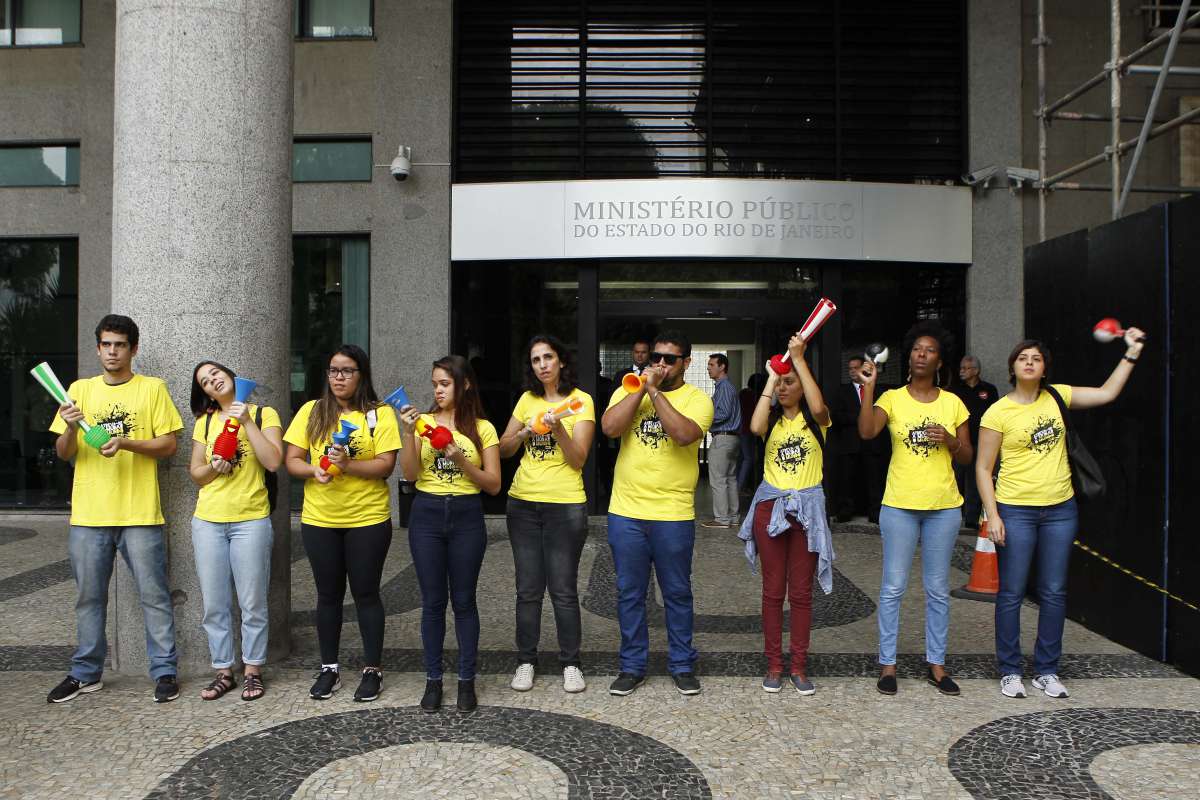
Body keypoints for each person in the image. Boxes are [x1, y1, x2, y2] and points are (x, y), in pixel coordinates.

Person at [977, 331, 1144, 700]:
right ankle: (1009, 670)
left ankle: (1046, 670)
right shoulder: (998, 411)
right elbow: (983, 468)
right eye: (1023, 358)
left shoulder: (1058, 396)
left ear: (1044, 368)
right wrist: (994, 516)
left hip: (1060, 510)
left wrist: (1131, 353)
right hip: (1015, 510)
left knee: (1054, 592)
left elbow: (1107, 393)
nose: (1030, 363)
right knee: (1011, 592)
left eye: (1036, 358)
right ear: (1012, 367)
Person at [47, 314, 184, 704]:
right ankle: (85, 673)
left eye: (120, 345)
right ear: (97, 349)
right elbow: (64, 453)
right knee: (89, 599)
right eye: (106, 344)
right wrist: (70, 427)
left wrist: (125, 442)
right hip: (89, 515)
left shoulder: (152, 389)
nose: (112, 352)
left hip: (140, 513)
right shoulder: (80, 390)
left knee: (154, 596)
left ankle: (165, 672)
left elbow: (169, 445)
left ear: (133, 349)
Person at [857, 321, 972, 697]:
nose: (922, 354)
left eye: (930, 350)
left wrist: (951, 440)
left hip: (944, 507)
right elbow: (867, 431)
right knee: (893, 587)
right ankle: (887, 665)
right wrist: (869, 387)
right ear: (909, 356)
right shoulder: (892, 398)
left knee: (938, 589)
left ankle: (937, 665)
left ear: (940, 360)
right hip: (899, 506)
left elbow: (968, 456)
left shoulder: (953, 403)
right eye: (917, 349)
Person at [284, 345, 400, 703]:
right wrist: (314, 470)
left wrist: (348, 464)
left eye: (347, 371)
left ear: (361, 374)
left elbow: (385, 466)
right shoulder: (312, 411)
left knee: (366, 593)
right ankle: (329, 668)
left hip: (368, 517)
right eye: (334, 370)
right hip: (320, 518)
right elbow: (292, 460)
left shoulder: (379, 414)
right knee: (328, 595)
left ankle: (372, 669)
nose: (339, 377)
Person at [601, 330, 714, 697]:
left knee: (677, 593)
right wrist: (639, 390)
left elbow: (683, 435)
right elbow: (609, 428)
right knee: (629, 593)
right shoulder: (628, 388)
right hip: (626, 511)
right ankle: (632, 666)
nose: (660, 364)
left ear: (686, 363)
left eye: (669, 359)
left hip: (673, 513)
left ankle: (682, 665)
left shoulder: (698, 399)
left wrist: (654, 392)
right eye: (656, 358)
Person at [397, 355, 501, 713]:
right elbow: (410, 475)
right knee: (432, 602)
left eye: (445, 383)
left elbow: (493, 484)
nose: (438, 391)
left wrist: (461, 460)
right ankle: (433, 680)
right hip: (427, 513)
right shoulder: (422, 423)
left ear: (464, 384)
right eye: (434, 385)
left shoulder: (483, 428)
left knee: (464, 601)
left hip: (467, 514)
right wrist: (408, 433)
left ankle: (466, 681)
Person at [498, 335, 595, 694]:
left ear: (561, 361)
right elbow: (504, 449)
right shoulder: (527, 400)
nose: (542, 365)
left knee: (563, 589)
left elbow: (578, 459)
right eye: (536, 359)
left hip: (565, 505)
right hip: (522, 503)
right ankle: (526, 660)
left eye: (548, 357)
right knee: (527, 589)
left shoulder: (580, 401)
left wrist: (557, 430)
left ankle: (571, 663)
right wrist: (525, 430)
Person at [737, 335, 833, 695]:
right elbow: (754, 427)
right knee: (773, 590)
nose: (783, 388)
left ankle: (799, 666)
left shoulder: (817, 422)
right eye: (780, 383)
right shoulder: (772, 422)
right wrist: (772, 376)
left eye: (789, 382)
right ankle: (774, 665)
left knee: (802, 593)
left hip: (807, 511)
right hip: (771, 509)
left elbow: (819, 406)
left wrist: (798, 360)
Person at [187, 361, 283, 701]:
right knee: (215, 603)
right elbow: (196, 473)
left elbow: (273, 461)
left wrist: (245, 422)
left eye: (215, 373)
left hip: (251, 519)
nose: (212, 380)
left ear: (228, 375)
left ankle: (253, 670)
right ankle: (223, 671)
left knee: (252, 601)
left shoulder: (264, 414)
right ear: (206, 393)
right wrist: (214, 468)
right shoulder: (205, 421)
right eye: (205, 381)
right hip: (208, 520)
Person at [831, 355, 889, 523]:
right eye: (850, 368)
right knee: (847, 480)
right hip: (850, 444)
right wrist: (861, 417)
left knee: (874, 480)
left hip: (873, 444)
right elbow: (837, 416)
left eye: (856, 368)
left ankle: (875, 512)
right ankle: (845, 511)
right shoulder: (842, 391)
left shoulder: (877, 391)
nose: (852, 371)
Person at [952, 355, 999, 528]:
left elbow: (996, 414)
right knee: (955, 478)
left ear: (976, 370)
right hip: (960, 443)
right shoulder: (955, 391)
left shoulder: (989, 390)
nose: (962, 371)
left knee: (976, 480)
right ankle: (953, 517)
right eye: (961, 368)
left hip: (982, 443)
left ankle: (971, 518)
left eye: (966, 368)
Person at [703, 353, 742, 528]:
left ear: (722, 367)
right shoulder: (726, 386)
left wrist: (704, 419)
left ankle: (722, 519)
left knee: (718, 480)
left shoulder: (724, 387)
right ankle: (733, 517)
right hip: (732, 438)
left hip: (723, 438)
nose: (708, 368)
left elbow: (724, 413)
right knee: (730, 479)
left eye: (712, 365)